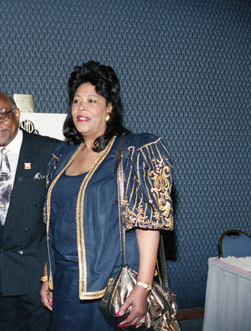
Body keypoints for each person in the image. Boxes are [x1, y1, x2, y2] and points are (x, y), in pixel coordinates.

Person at [39, 61, 175, 330]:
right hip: (65, 283)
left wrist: (143, 286)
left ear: (109, 106)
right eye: (76, 100)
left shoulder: (132, 152)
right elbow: (55, 225)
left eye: (92, 99)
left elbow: (148, 225)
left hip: (111, 287)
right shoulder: (62, 156)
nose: (81, 107)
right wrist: (47, 277)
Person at [0, 91, 60, 331]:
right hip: (1, 274)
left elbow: (60, 219)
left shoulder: (49, 151)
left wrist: (49, 275)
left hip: (38, 275)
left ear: (17, 114)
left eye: (1, 115)